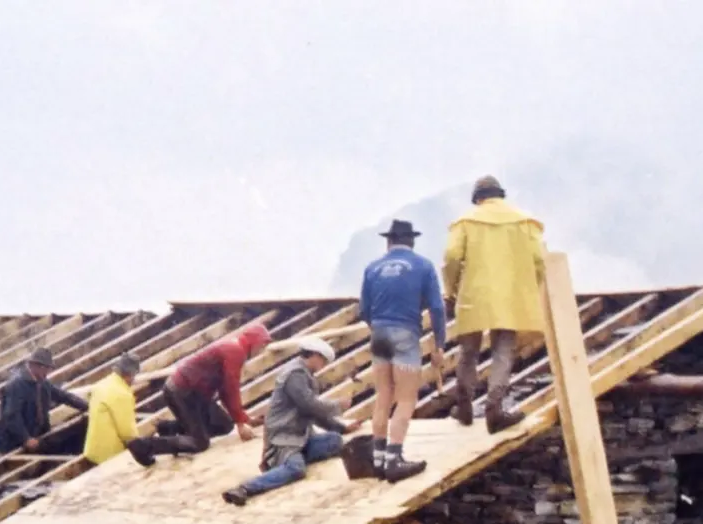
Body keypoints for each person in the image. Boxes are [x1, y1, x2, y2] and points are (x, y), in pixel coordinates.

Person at [442, 175, 547, 433]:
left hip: (473, 294)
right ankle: (494, 407)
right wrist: (530, 287)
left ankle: (464, 407)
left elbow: (452, 257)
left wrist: (450, 290)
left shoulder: (466, 222)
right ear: (501, 195)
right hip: (510, 295)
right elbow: (539, 259)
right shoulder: (525, 222)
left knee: (469, 352)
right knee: (503, 350)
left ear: (478, 199)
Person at [358, 219, 448, 482]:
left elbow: (363, 309)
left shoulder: (372, 268)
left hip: (379, 334)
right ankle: (395, 458)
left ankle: (377, 458)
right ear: (412, 241)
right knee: (406, 398)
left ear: (389, 241)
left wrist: (378, 327)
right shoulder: (423, 266)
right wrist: (439, 345)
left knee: (383, 395)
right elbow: (437, 308)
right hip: (406, 334)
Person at [223, 337, 358, 506]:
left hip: (300, 437)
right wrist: (337, 406)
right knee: (296, 469)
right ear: (314, 355)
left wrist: (341, 428)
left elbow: (311, 413)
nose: (323, 365)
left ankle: (289, 461)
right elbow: (309, 404)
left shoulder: (304, 374)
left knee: (335, 440)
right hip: (284, 437)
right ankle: (245, 488)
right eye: (323, 360)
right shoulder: (294, 375)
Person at [127, 323, 269, 466]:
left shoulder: (234, 348)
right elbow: (230, 389)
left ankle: (169, 428)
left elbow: (225, 391)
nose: (261, 350)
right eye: (262, 345)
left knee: (224, 425)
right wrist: (240, 423)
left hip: (195, 392)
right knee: (199, 443)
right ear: (253, 342)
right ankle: (144, 446)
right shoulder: (236, 352)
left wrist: (243, 418)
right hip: (183, 392)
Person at [0, 346, 87, 454]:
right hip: (10, 444)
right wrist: (25, 438)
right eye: (45, 369)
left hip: (35, 436)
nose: (47, 372)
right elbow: (12, 416)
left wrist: (86, 406)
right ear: (34, 366)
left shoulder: (42, 382)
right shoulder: (16, 385)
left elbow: (63, 396)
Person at [82, 353, 141, 465]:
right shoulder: (122, 394)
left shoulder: (101, 385)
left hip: (92, 450)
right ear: (130, 374)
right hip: (110, 455)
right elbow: (127, 433)